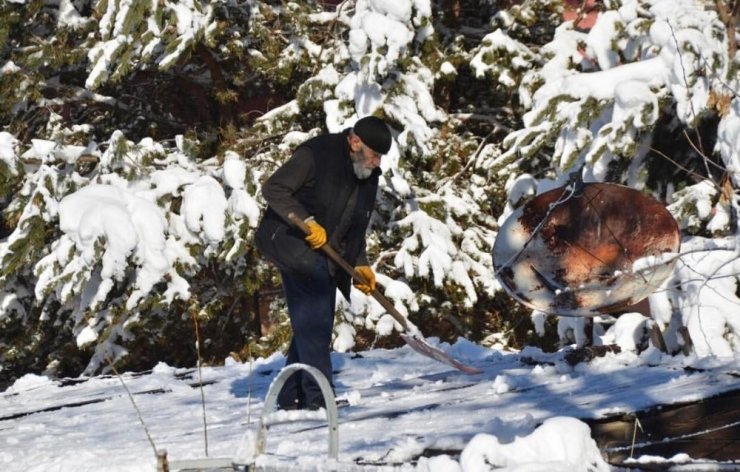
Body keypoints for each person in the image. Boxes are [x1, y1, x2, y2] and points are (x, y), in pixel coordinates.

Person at [255, 116, 393, 410]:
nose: (376, 163)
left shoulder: (366, 174)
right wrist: (305, 220)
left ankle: (292, 394)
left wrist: (360, 263)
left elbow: (354, 225)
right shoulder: (316, 154)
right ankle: (319, 398)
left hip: (321, 252)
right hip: (289, 241)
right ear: (355, 142)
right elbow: (274, 189)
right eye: (373, 155)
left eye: (380, 157)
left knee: (312, 324)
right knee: (316, 321)